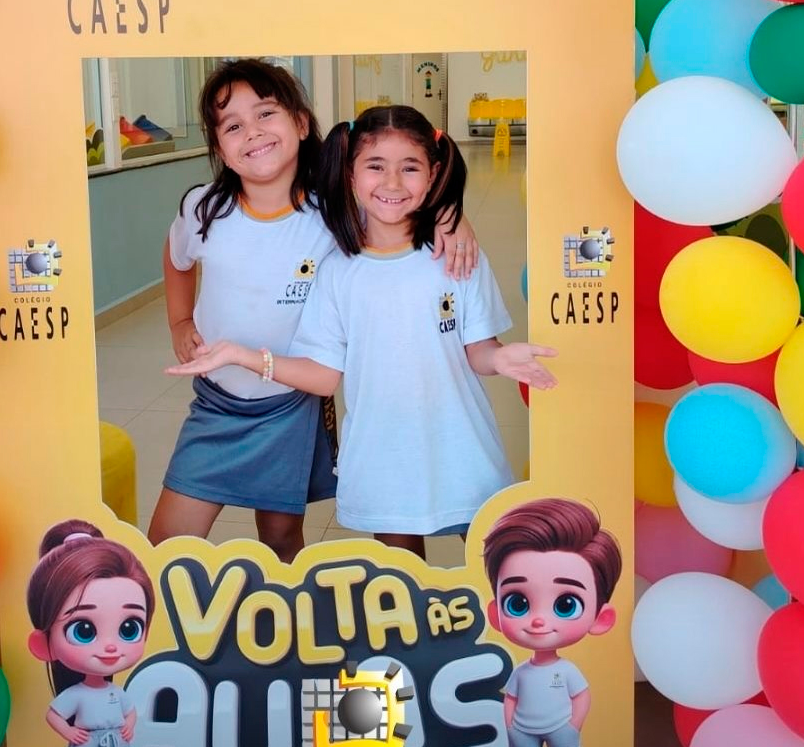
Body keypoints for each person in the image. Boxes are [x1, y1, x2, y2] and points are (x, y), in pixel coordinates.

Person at [167, 104, 556, 560]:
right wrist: (240, 355)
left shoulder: (457, 258)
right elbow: (323, 376)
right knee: (402, 578)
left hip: (463, 450)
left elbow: (479, 351)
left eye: (409, 168)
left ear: (433, 174)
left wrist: (500, 358)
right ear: (350, 175)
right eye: (375, 167)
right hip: (382, 458)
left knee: (501, 563)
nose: (392, 183)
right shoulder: (335, 271)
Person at [482, 498, 621, 747]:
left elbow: (582, 695)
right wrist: (511, 725)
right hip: (524, 726)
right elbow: (510, 698)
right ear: (495, 614)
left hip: (561, 725)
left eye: (565, 605)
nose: (539, 620)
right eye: (518, 603)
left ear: (600, 618)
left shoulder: (567, 670)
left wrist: (573, 724)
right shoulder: (522, 672)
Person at [26, 519, 154, 747]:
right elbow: (53, 715)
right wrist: (69, 732)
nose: (110, 647)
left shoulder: (116, 693)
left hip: (116, 739)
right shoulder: (76, 694)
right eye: (84, 630)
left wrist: (129, 726)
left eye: (129, 628)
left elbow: (130, 710)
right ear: (44, 644)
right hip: (86, 740)